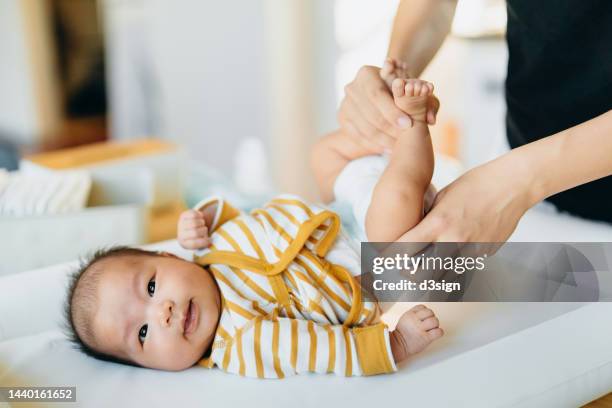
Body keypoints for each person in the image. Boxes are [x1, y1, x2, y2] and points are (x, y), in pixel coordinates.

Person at [65, 88, 444, 377]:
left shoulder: (207, 253)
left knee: (324, 152)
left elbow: (236, 214)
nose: (162, 313)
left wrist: (199, 220)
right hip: (367, 264)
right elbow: (319, 349)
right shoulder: (242, 341)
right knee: (395, 199)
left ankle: (390, 123)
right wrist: (393, 343)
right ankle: (411, 125)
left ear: (169, 257)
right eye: (143, 334)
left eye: (151, 287)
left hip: (336, 216)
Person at [337, 0, 612, 243]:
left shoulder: (512, 183)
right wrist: (396, 72)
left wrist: (519, 180)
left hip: (525, 180)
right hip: (525, 168)